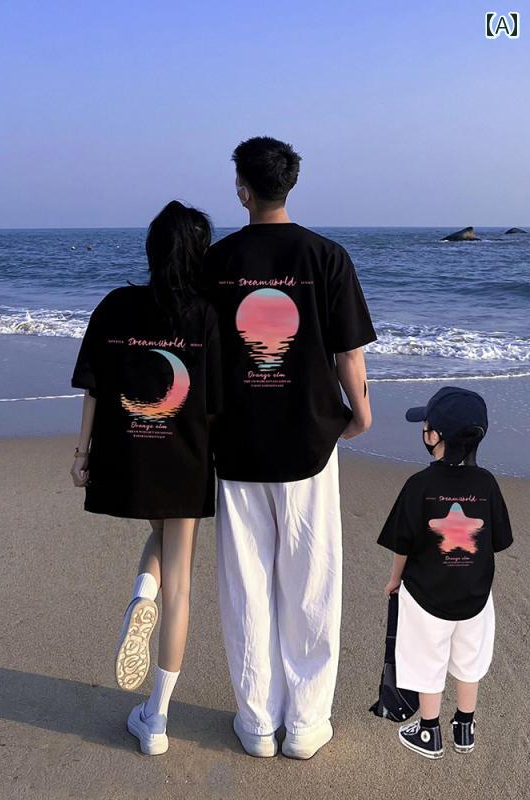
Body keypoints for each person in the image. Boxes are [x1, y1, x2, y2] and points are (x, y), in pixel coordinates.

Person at [204, 136, 377, 759]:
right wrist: (360, 414)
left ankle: (256, 723)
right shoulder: (325, 255)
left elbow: (198, 352)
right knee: (311, 581)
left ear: (242, 190)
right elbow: (348, 350)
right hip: (309, 441)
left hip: (236, 442)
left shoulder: (216, 261)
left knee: (246, 586)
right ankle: (305, 724)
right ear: (289, 185)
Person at [70, 201, 222, 756]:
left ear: (152, 250)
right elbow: (214, 404)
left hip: (128, 456)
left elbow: (93, 386)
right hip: (185, 459)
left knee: (157, 537)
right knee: (181, 583)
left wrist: (82, 454)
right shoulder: (206, 315)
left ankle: (141, 593)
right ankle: (156, 718)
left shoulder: (115, 305)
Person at [378, 387, 513, 759]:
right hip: (475, 597)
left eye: (426, 425)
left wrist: (394, 580)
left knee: (427, 660)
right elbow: (498, 541)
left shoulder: (419, 485)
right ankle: (465, 727)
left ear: (435, 436)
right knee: (469, 662)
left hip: (426, 595)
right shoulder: (487, 484)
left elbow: (403, 543)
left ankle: (429, 731)